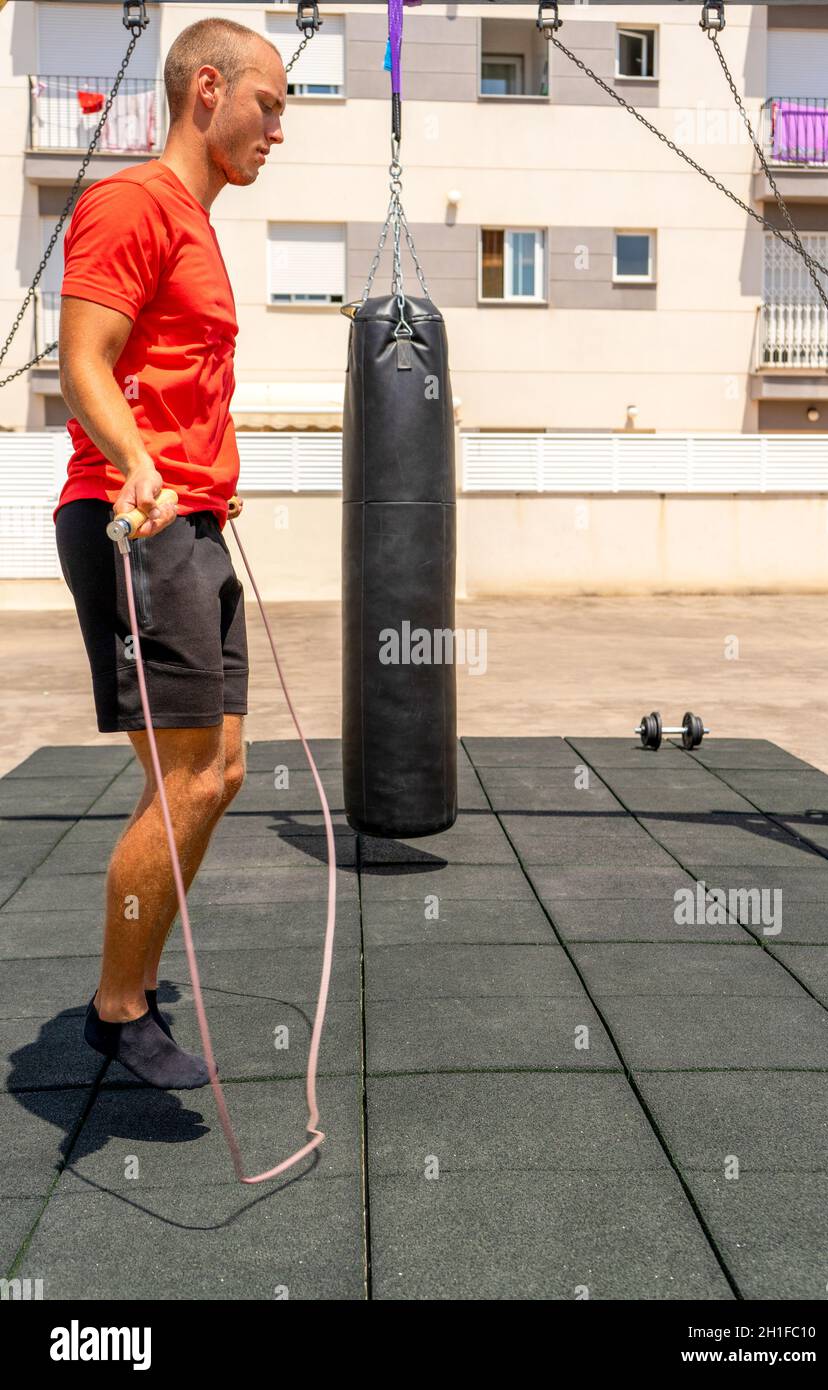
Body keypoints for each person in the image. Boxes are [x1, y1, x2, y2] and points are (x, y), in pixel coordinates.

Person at [53, 18, 287, 1089]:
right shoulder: (131, 203)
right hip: (136, 519)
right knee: (186, 780)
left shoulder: (195, 222)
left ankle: (134, 979)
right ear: (209, 88)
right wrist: (140, 464)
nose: (277, 130)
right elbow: (84, 362)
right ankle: (118, 1005)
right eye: (270, 105)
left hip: (192, 521)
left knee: (218, 771)